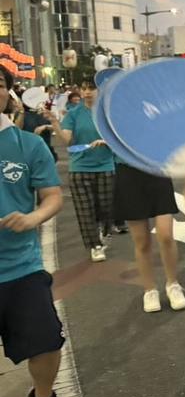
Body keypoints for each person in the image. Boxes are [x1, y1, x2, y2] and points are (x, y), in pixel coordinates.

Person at [0, 66, 73, 397]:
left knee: (46, 343)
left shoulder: (26, 145)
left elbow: (52, 196)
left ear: (8, 93)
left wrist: (33, 218)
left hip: (20, 268)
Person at [49, 78, 115, 262]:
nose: (87, 92)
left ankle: (106, 231)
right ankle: (95, 246)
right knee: (85, 211)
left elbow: (119, 137)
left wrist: (106, 141)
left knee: (106, 208)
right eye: (84, 88)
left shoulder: (107, 112)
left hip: (105, 166)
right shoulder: (73, 113)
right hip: (79, 167)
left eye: (91, 88)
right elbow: (67, 140)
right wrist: (55, 123)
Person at [112, 159, 185, 313]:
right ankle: (150, 290)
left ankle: (173, 284)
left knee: (166, 235)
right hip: (128, 172)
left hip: (157, 168)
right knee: (142, 241)